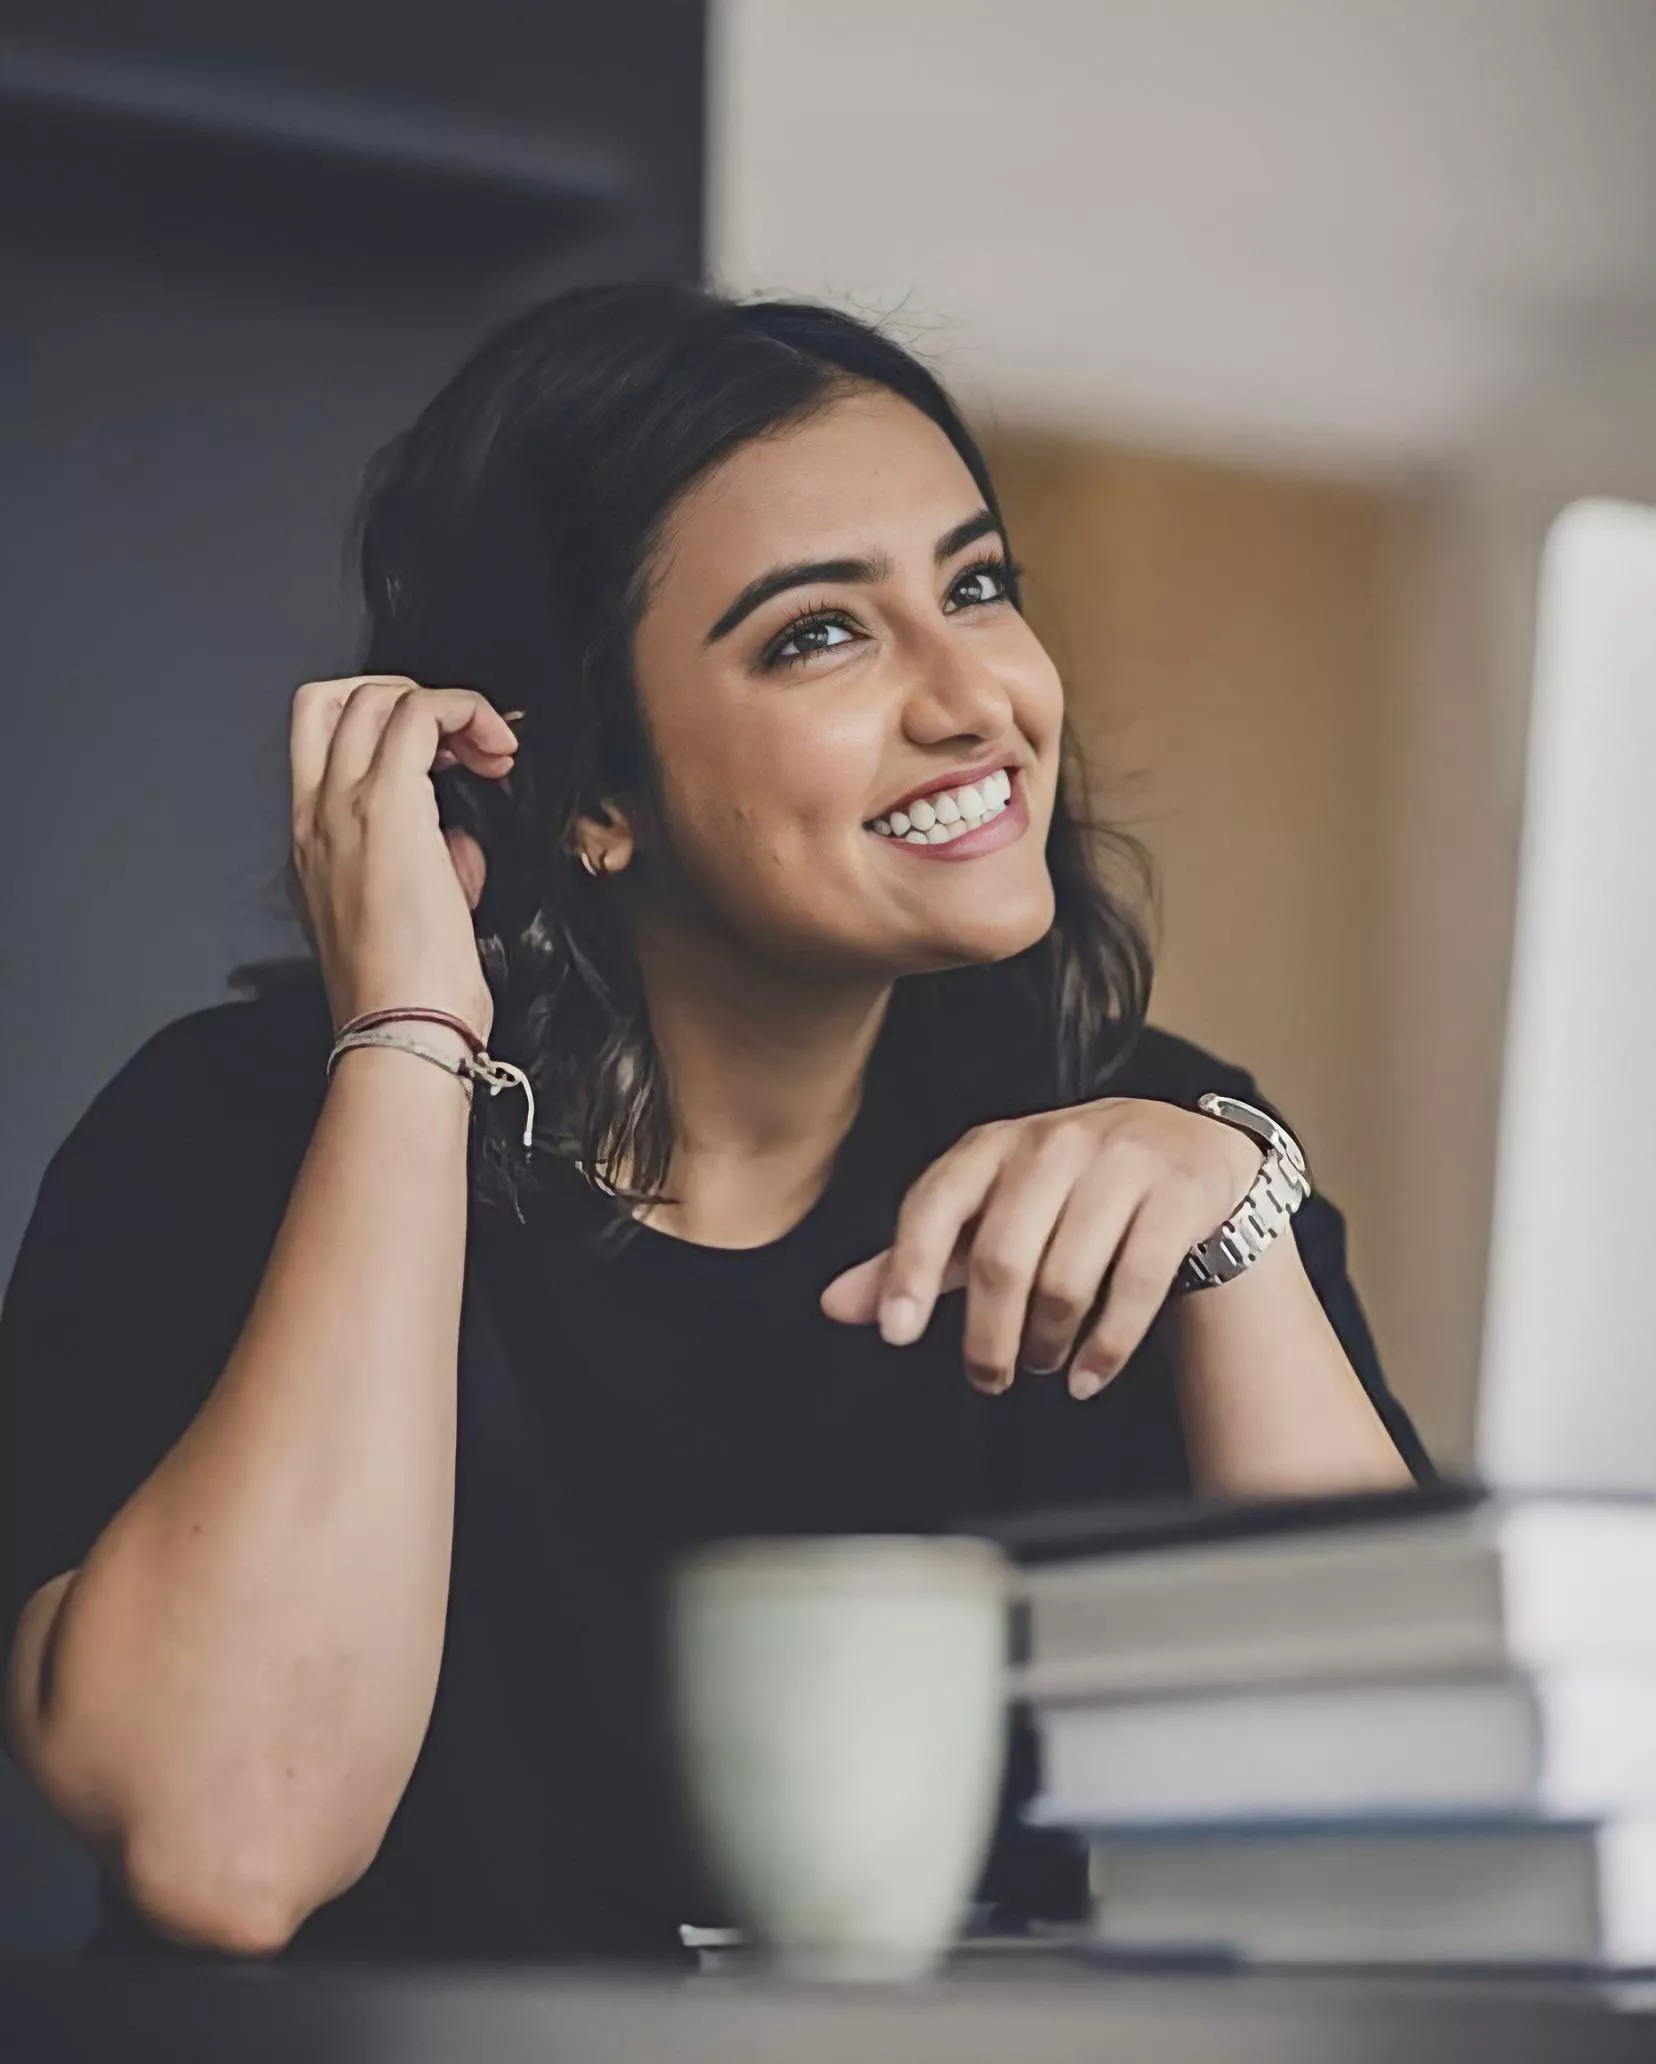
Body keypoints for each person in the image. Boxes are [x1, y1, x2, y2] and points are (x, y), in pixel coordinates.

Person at [0, 284, 1427, 1965]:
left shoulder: (1151, 1157)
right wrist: (405, 1034)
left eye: (977, 586)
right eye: (820, 631)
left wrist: (1239, 1230)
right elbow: (222, 1847)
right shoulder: (226, 1138)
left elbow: (1407, 1887)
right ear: (588, 791)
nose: (977, 699)